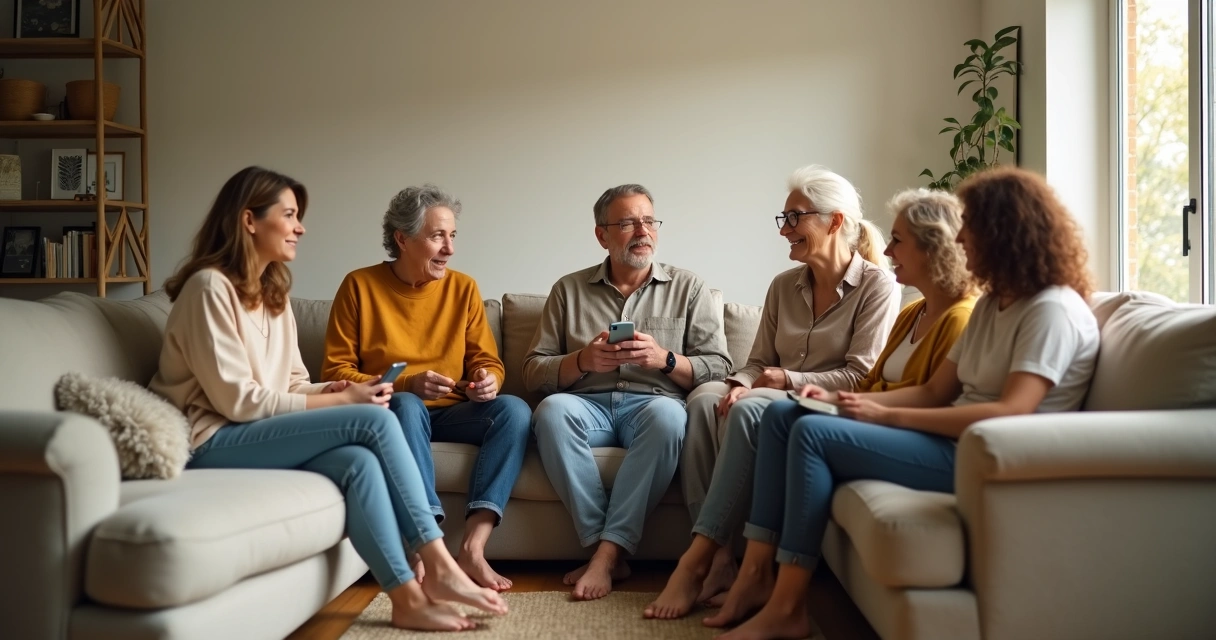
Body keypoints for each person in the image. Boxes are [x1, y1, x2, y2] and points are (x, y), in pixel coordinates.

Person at [712, 167, 1100, 640]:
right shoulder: (996, 304)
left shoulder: (1051, 310)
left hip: (985, 456)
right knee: (781, 414)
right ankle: (756, 576)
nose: (961, 242)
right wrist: (836, 397)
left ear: (1002, 233)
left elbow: (1012, 413)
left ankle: (788, 606)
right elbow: (937, 390)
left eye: (969, 230)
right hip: (952, 438)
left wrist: (884, 412)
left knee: (811, 433)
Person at [150, 167, 506, 632]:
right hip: (210, 439)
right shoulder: (209, 288)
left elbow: (295, 381)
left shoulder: (273, 293)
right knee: (372, 423)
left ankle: (405, 597)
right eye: (290, 215)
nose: (300, 227)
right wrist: (346, 403)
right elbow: (238, 402)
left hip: (250, 431)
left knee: (358, 461)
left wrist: (340, 390)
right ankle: (438, 563)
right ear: (248, 221)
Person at [673, 165, 901, 608]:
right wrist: (740, 382)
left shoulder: (878, 287)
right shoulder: (782, 286)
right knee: (702, 398)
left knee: (748, 406)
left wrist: (782, 380)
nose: (785, 232)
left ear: (834, 221)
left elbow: (861, 374)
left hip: (827, 402)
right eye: (784, 219)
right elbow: (758, 361)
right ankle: (719, 557)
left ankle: (708, 558)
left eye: (794, 218)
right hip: (769, 389)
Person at [523, 184, 732, 601]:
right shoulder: (568, 289)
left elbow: (721, 367)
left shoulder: (690, 288)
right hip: (587, 406)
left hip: (654, 406)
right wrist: (582, 361)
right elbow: (532, 371)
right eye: (627, 222)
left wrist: (664, 360)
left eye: (649, 220)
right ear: (602, 234)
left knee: (672, 417)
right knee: (550, 411)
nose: (643, 231)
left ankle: (603, 557)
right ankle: (608, 552)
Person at [322, 184, 531, 591]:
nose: (450, 248)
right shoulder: (358, 287)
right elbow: (336, 371)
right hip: (395, 413)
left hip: (455, 413)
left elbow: (485, 361)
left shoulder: (463, 289)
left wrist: (486, 382)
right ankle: (423, 542)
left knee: (515, 411)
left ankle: (473, 547)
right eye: (438, 236)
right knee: (407, 404)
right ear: (402, 239)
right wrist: (407, 384)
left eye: (453, 236)